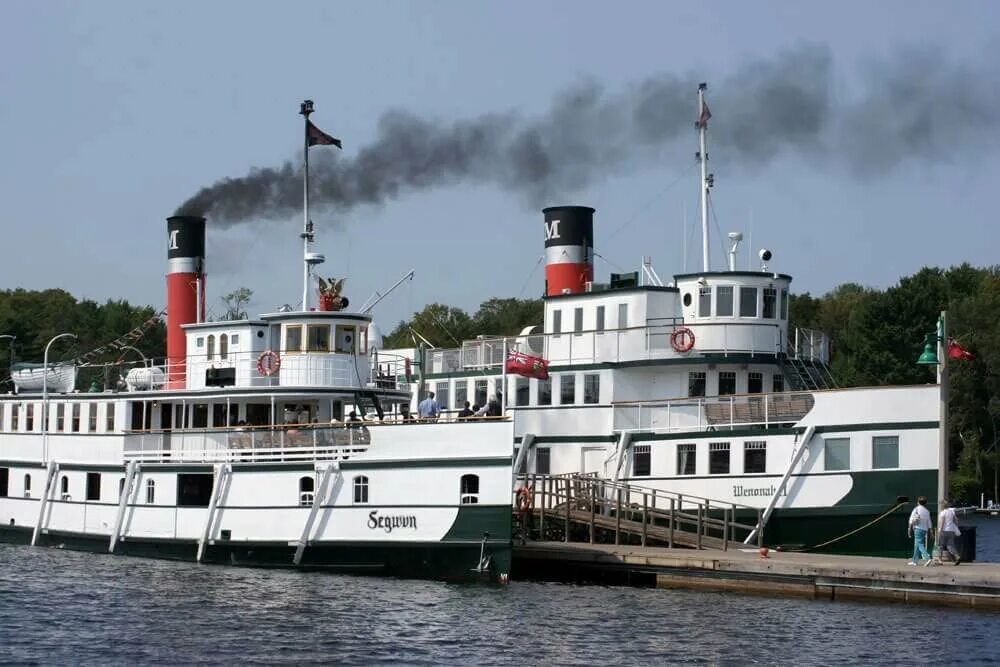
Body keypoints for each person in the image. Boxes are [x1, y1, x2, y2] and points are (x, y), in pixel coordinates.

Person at [907, 496, 933, 565]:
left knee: (920, 544)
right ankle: (914, 561)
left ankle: (927, 557)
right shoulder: (927, 511)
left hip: (918, 528)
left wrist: (909, 529)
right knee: (917, 545)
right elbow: (929, 522)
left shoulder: (916, 509)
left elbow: (911, 520)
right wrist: (931, 532)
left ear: (918, 502)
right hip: (925, 529)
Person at [935, 499, 962, 565]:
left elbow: (942, 523)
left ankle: (940, 560)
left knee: (940, 546)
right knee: (950, 545)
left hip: (944, 531)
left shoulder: (942, 513)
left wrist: (940, 531)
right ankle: (957, 556)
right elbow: (956, 520)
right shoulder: (951, 512)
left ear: (942, 506)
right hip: (951, 531)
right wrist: (955, 526)